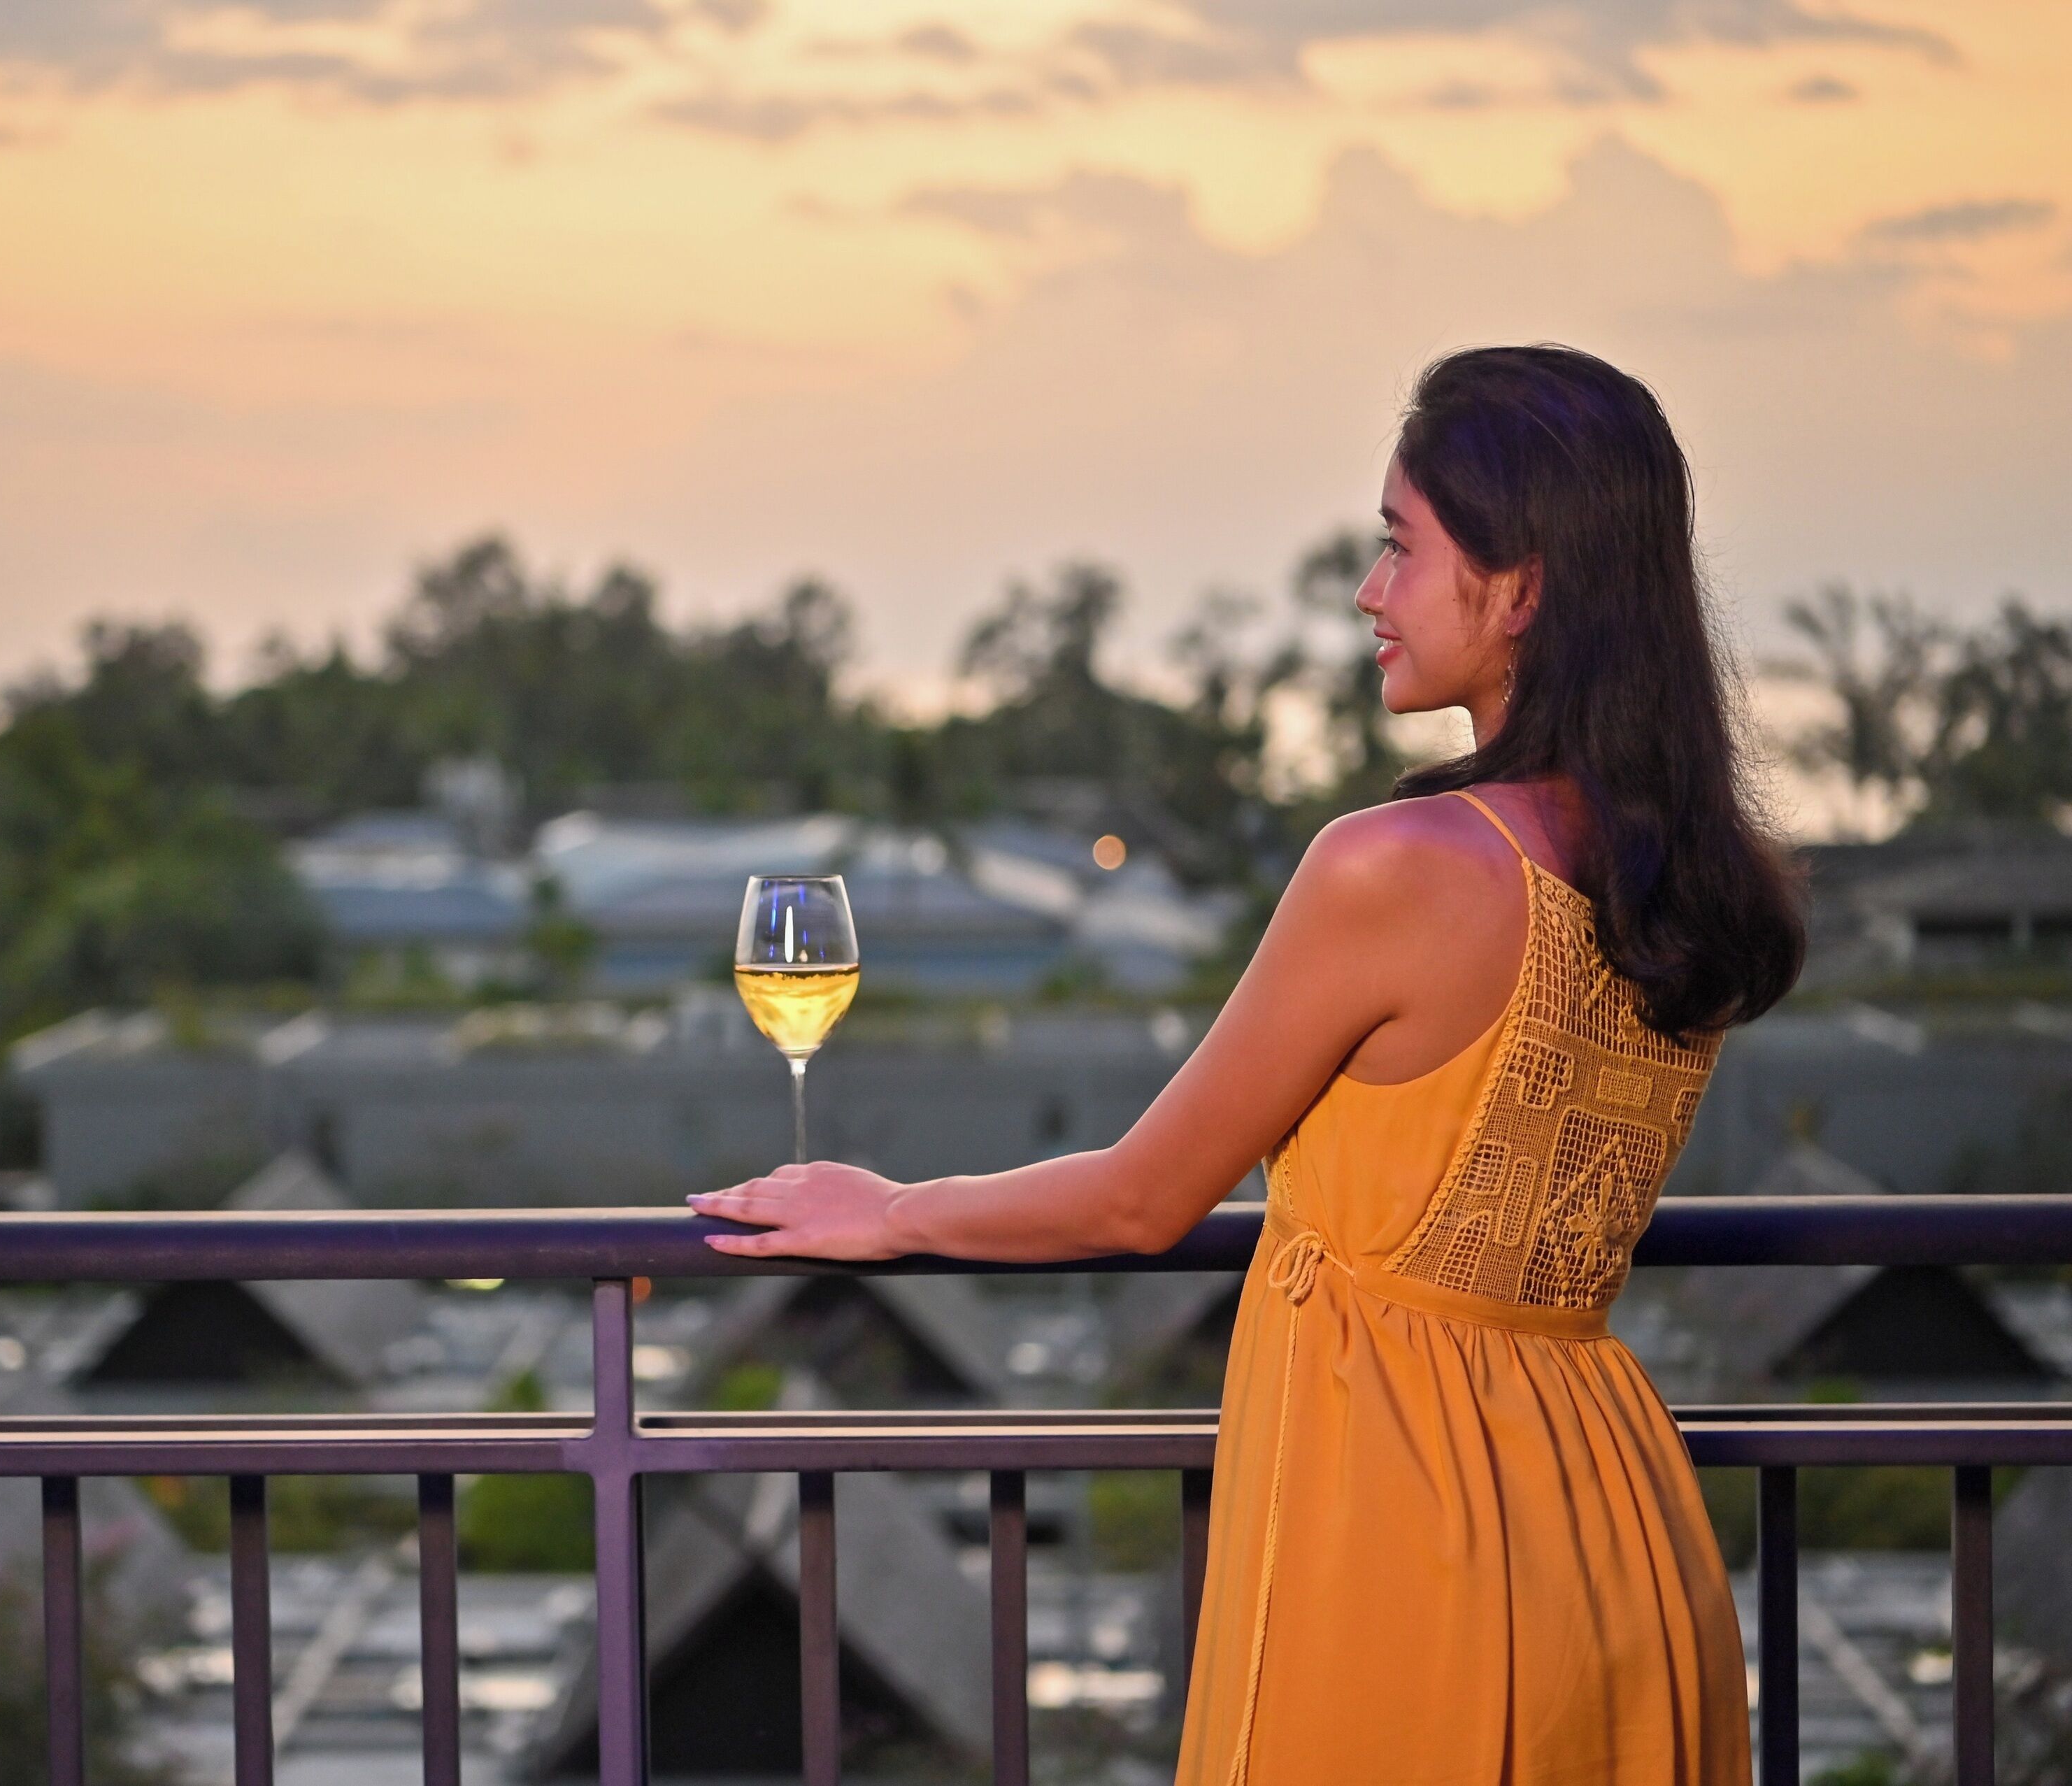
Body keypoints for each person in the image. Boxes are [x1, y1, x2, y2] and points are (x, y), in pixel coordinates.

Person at [688, 344, 1806, 1785]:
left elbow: (1142, 1199)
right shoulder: (1688, 879)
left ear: (1522, 583)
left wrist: (893, 1209)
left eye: (1401, 546)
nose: (1370, 592)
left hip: (1407, 1537)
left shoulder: (1399, 867)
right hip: (1612, 1517)